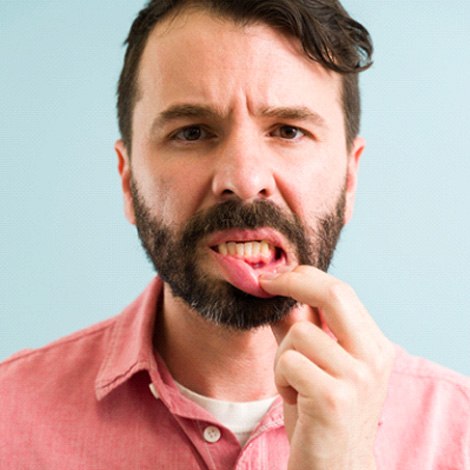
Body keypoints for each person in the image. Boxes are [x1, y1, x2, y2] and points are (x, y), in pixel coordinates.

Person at [0, 0, 468, 468]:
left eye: (288, 130)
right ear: (128, 181)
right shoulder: (10, 416)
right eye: (192, 132)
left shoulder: (457, 434)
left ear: (349, 179)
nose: (244, 179)